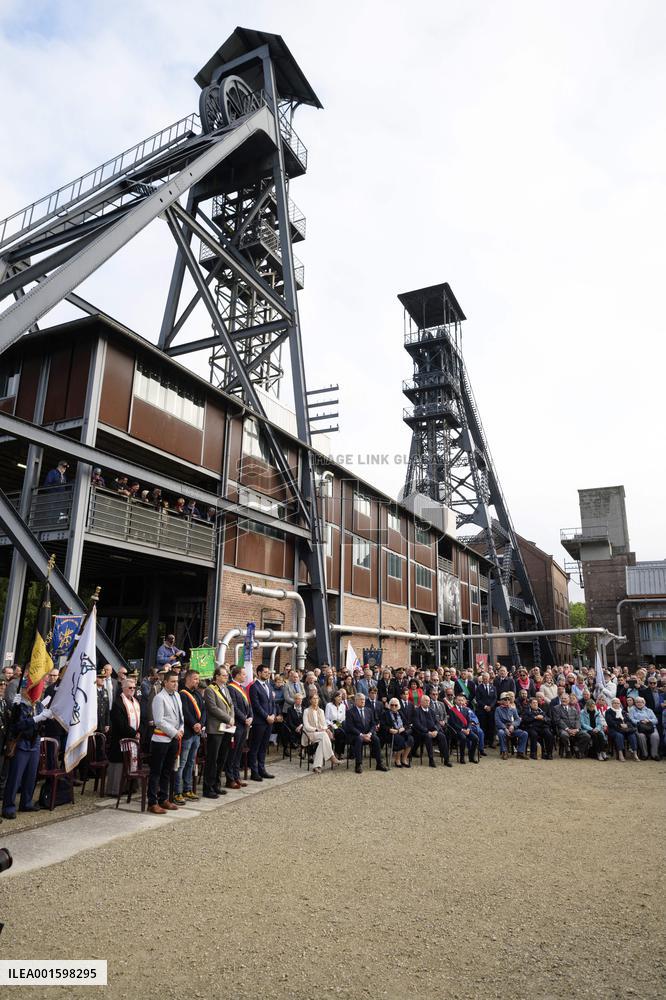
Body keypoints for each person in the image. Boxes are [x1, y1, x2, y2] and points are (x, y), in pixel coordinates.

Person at [2, 691, 52, 818]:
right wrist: (35, 719)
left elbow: (41, 725)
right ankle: (8, 807)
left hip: (34, 743)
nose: (37, 693)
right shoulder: (20, 706)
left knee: (31, 776)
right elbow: (17, 725)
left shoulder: (40, 705)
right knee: (15, 778)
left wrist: (47, 719)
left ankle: (26, 803)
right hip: (21, 744)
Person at [148, 671, 184, 814]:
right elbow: (159, 720)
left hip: (174, 738)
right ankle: (152, 802)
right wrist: (174, 732)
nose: (176, 684)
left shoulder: (177, 695)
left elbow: (180, 716)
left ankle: (164, 798)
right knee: (156, 771)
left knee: (167, 771)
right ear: (165, 682)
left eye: (177, 681)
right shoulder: (159, 698)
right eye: (173, 681)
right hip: (161, 739)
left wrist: (180, 729)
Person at [173, 669, 205, 804]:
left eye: (198, 679)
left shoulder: (197, 693)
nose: (197, 681)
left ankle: (188, 789)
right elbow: (184, 712)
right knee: (182, 763)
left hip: (197, 734)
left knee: (191, 763)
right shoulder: (182, 694)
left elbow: (204, 710)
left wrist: (201, 724)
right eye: (195, 679)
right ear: (187, 679)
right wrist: (193, 724)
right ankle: (178, 791)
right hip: (187, 733)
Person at [202, 666, 234, 798]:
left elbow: (231, 705)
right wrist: (228, 718)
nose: (226, 677)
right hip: (215, 728)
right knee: (212, 759)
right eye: (224, 675)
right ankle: (208, 787)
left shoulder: (226, 689)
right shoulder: (210, 689)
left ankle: (217, 785)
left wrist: (231, 718)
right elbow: (213, 708)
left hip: (227, 727)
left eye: (227, 675)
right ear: (217, 676)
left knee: (222, 758)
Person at [248, 664, 281, 781]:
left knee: (263, 747)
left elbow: (273, 702)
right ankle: (254, 771)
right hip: (259, 722)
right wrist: (266, 716)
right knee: (255, 747)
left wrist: (273, 714)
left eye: (268, 672)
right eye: (265, 672)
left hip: (269, 721)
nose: (268, 674)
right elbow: (256, 705)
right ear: (259, 673)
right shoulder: (254, 687)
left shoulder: (269, 686)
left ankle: (262, 769)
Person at [344, 693, 388, 774]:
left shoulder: (369, 710)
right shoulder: (350, 712)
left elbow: (373, 724)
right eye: (361, 699)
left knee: (376, 739)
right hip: (355, 735)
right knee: (359, 740)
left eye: (364, 699)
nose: (363, 701)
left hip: (368, 734)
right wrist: (361, 734)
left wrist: (369, 734)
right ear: (356, 701)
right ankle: (358, 764)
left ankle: (379, 764)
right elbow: (350, 727)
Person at [226, 666, 251, 789]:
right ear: (236, 675)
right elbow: (234, 707)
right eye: (243, 674)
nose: (245, 676)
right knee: (233, 752)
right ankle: (230, 778)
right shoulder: (231, 687)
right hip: (237, 724)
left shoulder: (243, 688)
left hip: (244, 724)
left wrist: (250, 716)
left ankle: (237, 776)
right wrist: (244, 718)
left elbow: (248, 704)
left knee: (239, 752)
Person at [302, 693, 339, 773]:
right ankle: (331, 756)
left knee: (322, 741)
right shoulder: (306, 711)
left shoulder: (321, 711)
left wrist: (325, 729)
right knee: (324, 735)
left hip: (320, 734)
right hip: (309, 734)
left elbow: (324, 725)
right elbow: (306, 726)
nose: (315, 700)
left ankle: (316, 766)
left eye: (317, 698)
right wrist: (317, 729)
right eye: (314, 699)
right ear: (310, 700)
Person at [412, 695, 452, 768]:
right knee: (428, 737)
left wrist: (436, 730)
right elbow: (417, 724)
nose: (428, 702)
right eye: (426, 701)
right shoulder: (416, 711)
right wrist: (428, 732)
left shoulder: (431, 711)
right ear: (421, 702)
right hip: (423, 733)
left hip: (434, 731)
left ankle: (446, 760)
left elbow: (437, 723)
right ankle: (431, 760)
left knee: (442, 736)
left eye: (428, 701)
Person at [552, 694, 591, 759]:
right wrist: (567, 729)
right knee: (564, 735)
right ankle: (568, 750)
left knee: (587, 736)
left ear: (569, 700)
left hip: (574, 729)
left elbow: (577, 719)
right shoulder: (556, 708)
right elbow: (558, 721)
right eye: (562, 698)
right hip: (563, 729)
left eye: (565, 698)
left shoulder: (573, 709)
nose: (563, 700)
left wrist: (577, 729)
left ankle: (578, 749)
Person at [494, 693, 528, 760]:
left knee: (524, 734)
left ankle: (520, 752)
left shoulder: (513, 709)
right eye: (505, 699)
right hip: (503, 728)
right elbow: (497, 721)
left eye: (508, 699)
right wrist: (505, 728)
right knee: (501, 733)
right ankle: (504, 752)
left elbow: (518, 719)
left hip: (512, 728)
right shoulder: (498, 709)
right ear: (502, 701)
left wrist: (513, 725)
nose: (507, 701)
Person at [447, 695, 480, 764]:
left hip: (466, 729)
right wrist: (462, 730)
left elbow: (469, 721)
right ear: (455, 701)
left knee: (476, 738)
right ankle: (462, 758)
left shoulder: (465, 709)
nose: (460, 702)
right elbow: (452, 723)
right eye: (459, 700)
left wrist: (468, 729)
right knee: (463, 738)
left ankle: (471, 757)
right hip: (457, 730)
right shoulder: (451, 710)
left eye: (462, 700)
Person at [381, 698, 414, 767]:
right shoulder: (385, 714)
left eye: (395, 705)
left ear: (398, 706)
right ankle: (397, 759)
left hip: (401, 732)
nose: (393, 707)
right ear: (389, 705)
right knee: (400, 740)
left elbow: (407, 724)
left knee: (410, 739)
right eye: (392, 705)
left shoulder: (400, 713)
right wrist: (389, 729)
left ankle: (404, 759)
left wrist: (403, 728)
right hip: (391, 734)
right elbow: (383, 726)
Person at [475, 672, 497, 748]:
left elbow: (495, 698)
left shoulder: (493, 687)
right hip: (482, 710)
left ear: (489, 678)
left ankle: (491, 742)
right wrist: (485, 706)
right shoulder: (479, 688)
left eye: (487, 678)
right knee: (483, 726)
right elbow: (478, 699)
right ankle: (483, 742)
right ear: (482, 679)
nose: (485, 680)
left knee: (491, 726)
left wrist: (490, 706)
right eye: (484, 678)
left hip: (491, 710)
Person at [324, 689, 347, 758]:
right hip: (331, 725)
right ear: (334, 698)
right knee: (340, 733)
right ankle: (337, 752)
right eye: (338, 696)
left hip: (340, 724)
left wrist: (339, 724)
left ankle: (340, 751)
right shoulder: (329, 705)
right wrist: (334, 725)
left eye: (341, 696)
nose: (340, 698)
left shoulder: (343, 706)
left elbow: (343, 718)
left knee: (344, 732)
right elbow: (326, 719)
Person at [95, 667, 111, 734]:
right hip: (94, 722)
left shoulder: (105, 691)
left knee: (101, 742)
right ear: (96, 678)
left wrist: (107, 723)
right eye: (100, 677)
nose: (103, 679)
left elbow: (107, 708)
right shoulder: (92, 691)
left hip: (102, 722)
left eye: (104, 677)